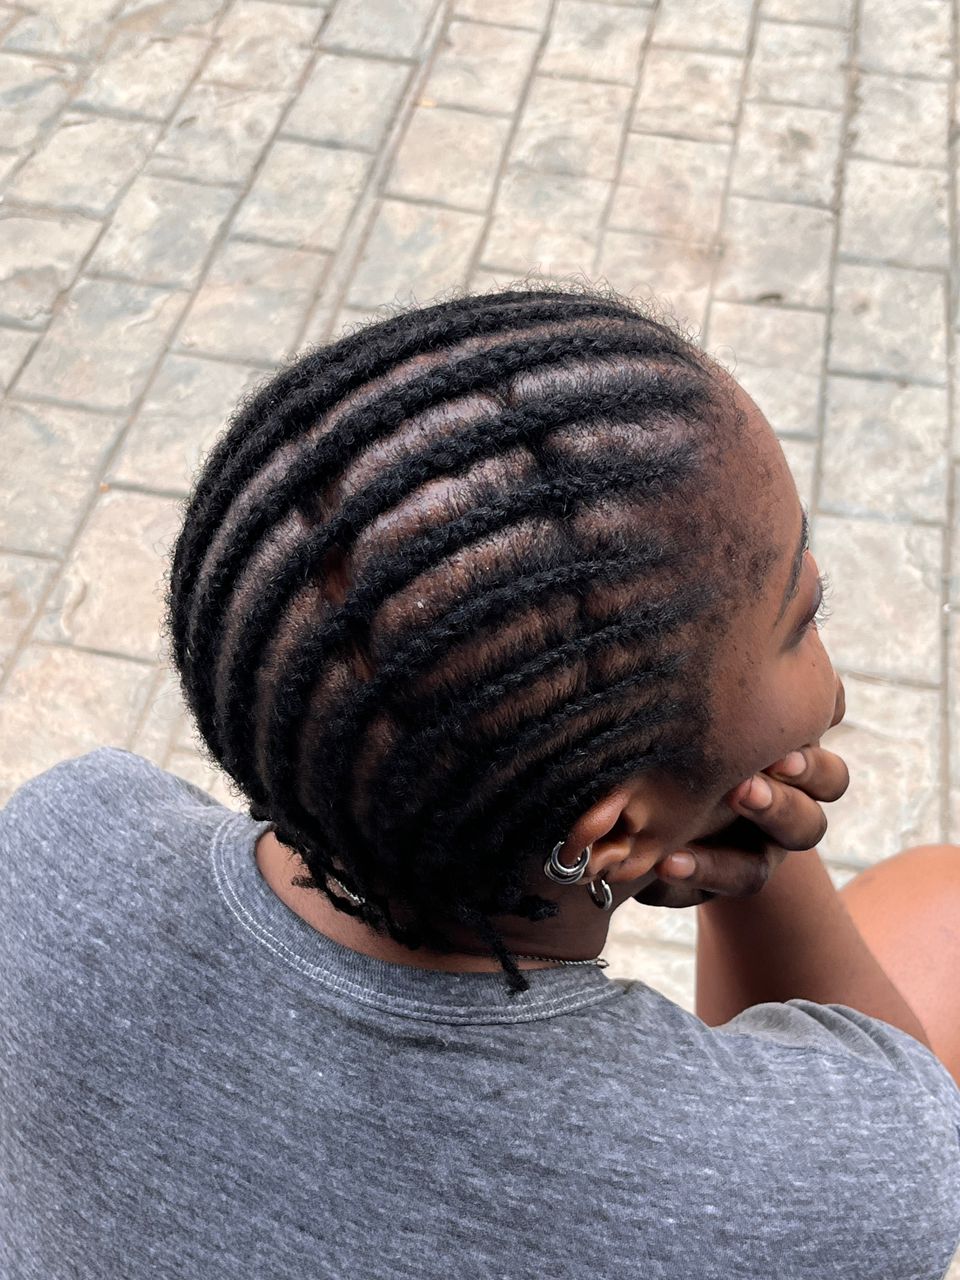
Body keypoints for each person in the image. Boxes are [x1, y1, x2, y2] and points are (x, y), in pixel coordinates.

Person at [1, 285, 958, 1279]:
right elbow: (898, 1112)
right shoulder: (796, 1188)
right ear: (610, 836)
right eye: (803, 617)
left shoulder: (60, 848)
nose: (830, 674)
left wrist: (693, 810)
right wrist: (761, 845)